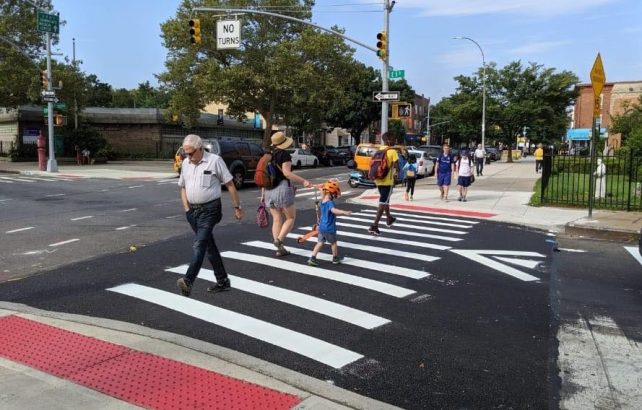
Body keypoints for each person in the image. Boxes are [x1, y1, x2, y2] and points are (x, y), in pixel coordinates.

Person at [176, 134, 244, 297]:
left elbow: (230, 184)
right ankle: (222, 280)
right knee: (208, 246)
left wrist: (237, 207)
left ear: (200, 149)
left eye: (190, 153)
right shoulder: (186, 163)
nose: (188, 156)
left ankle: (188, 280)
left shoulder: (214, 161)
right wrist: (187, 209)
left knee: (199, 244)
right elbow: (183, 187)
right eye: (185, 153)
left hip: (210, 209)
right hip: (193, 211)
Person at [262, 131, 313, 257]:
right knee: (290, 217)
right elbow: (286, 173)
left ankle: (279, 249)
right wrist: (303, 181)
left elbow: (264, 176)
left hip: (268, 190)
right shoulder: (284, 154)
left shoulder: (268, 155)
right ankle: (279, 240)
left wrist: (262, 195)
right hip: (282, 188)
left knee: (276, 219)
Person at [307, 180, 352, 266]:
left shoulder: (323, 201)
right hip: (329, 228)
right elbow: (333, 210)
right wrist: (344, 212)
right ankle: (335, 258)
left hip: (321, 227)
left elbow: (322, 190)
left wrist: (319, 186)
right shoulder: (330, 203)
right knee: (333, 243)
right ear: (331, 193)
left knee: (320, 243)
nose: (335, 195)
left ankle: (312, 258)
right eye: (334, 193)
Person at [368, 132, 399, 236]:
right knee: (383, 202)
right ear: (388, 140)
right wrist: (397, 175)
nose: (395, 141)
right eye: (393, 139)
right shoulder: (392, 151)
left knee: (385, 200)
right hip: (387, 181)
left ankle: (389, 218)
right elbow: (397, 166)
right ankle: (374, 225)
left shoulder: (379, 150)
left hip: (378, 180)